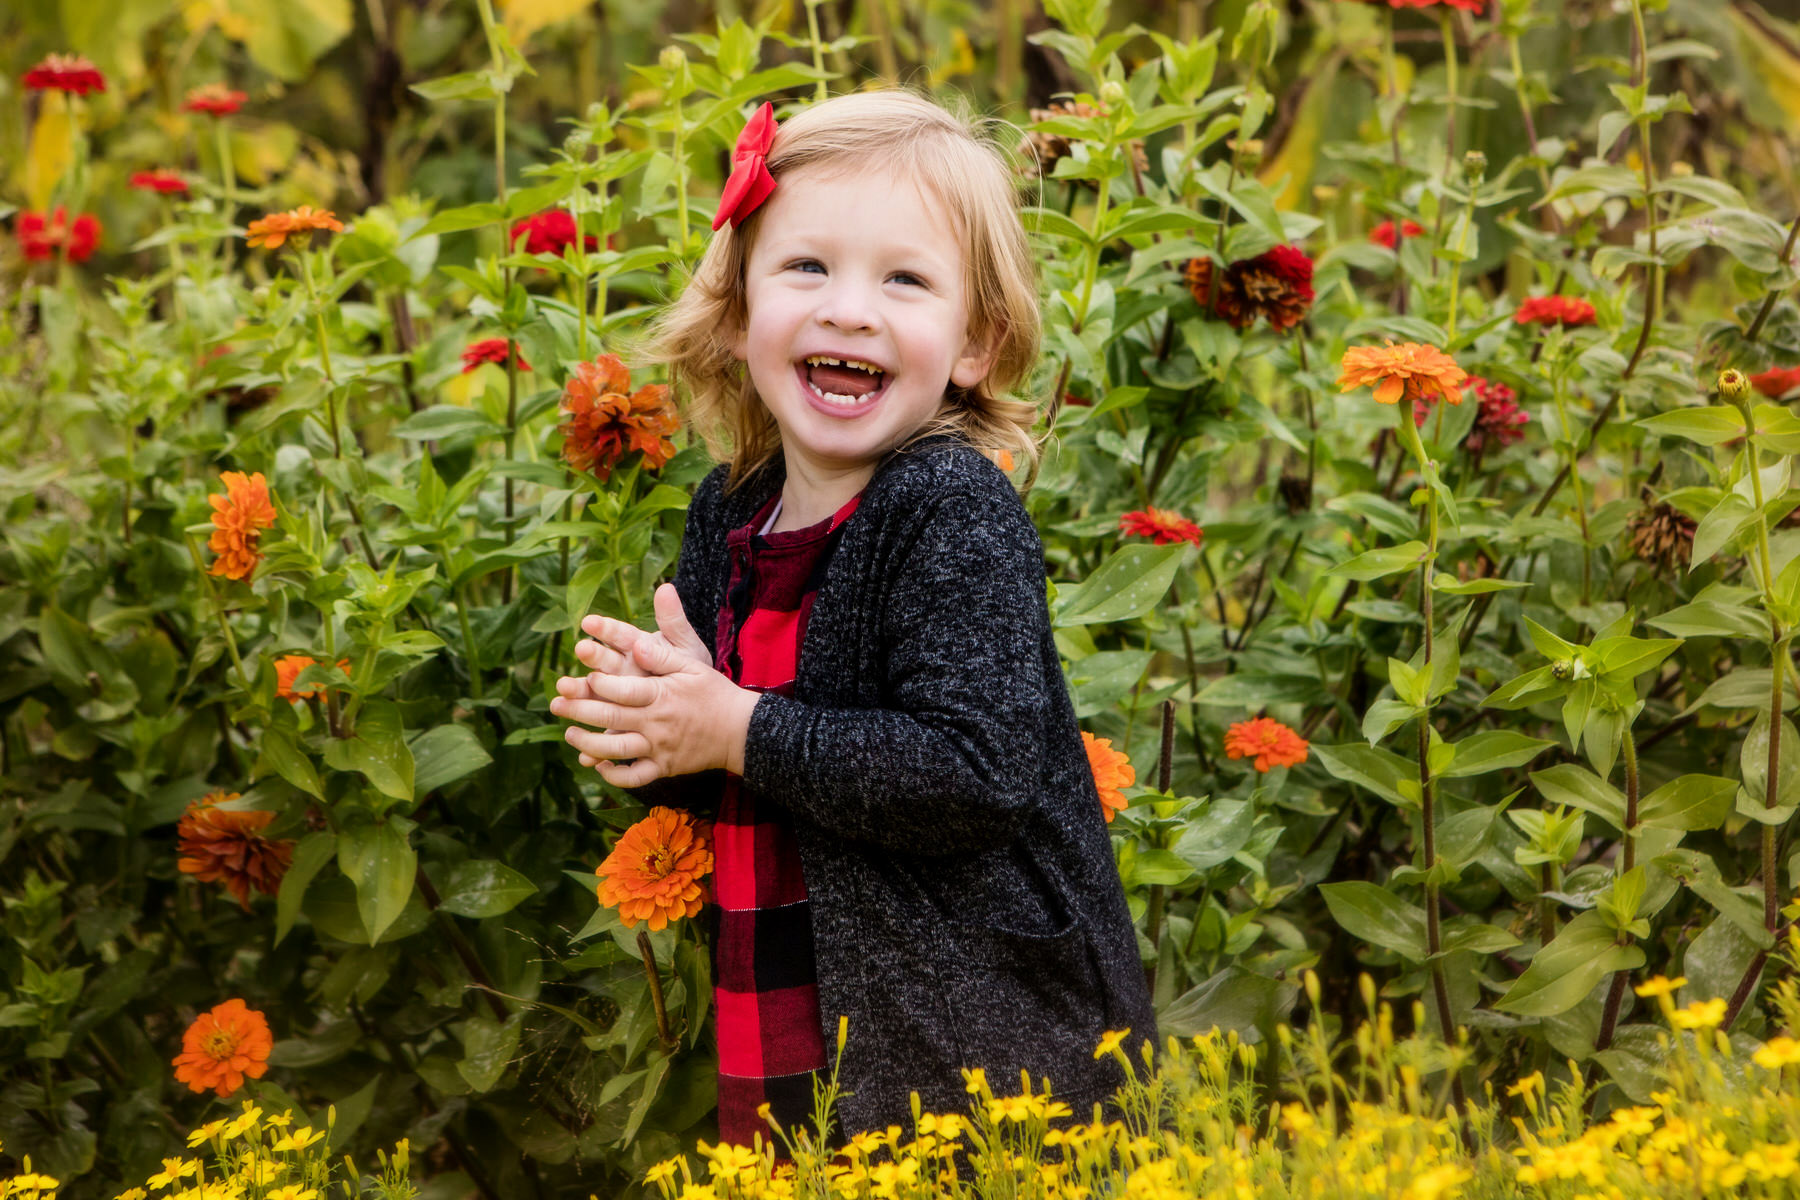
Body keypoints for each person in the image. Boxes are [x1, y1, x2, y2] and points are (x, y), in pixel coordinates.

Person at [549, 89, 1154, 1150]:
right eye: (807, 267)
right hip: (794, 1016)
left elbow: (974, 772)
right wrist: (662, 730)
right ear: (738, 314)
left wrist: (735, 726)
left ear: (977, 344)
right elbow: (752, 760)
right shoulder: (732, 508)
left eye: (905, 280)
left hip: (976, 1051)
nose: (850, 309)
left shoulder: (950, 510)